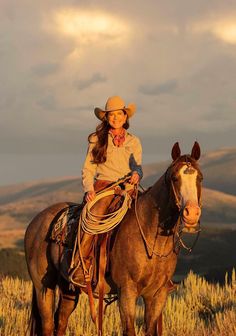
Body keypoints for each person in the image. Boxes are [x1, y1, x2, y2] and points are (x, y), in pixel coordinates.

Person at [72, 96, 143, 285]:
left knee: (149, 218)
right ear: (106, 118)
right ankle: (80, 265)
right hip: (104, 188)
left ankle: (154, 271)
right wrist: (89, 189)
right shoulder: (97, 139)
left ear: (125, 116)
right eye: (111, 115)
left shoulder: (134, 141)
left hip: (128, 189)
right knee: (91, 220)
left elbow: (138, 166)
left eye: (119, 114)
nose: (116, 118)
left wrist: (137, 174)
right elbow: (88, 169)